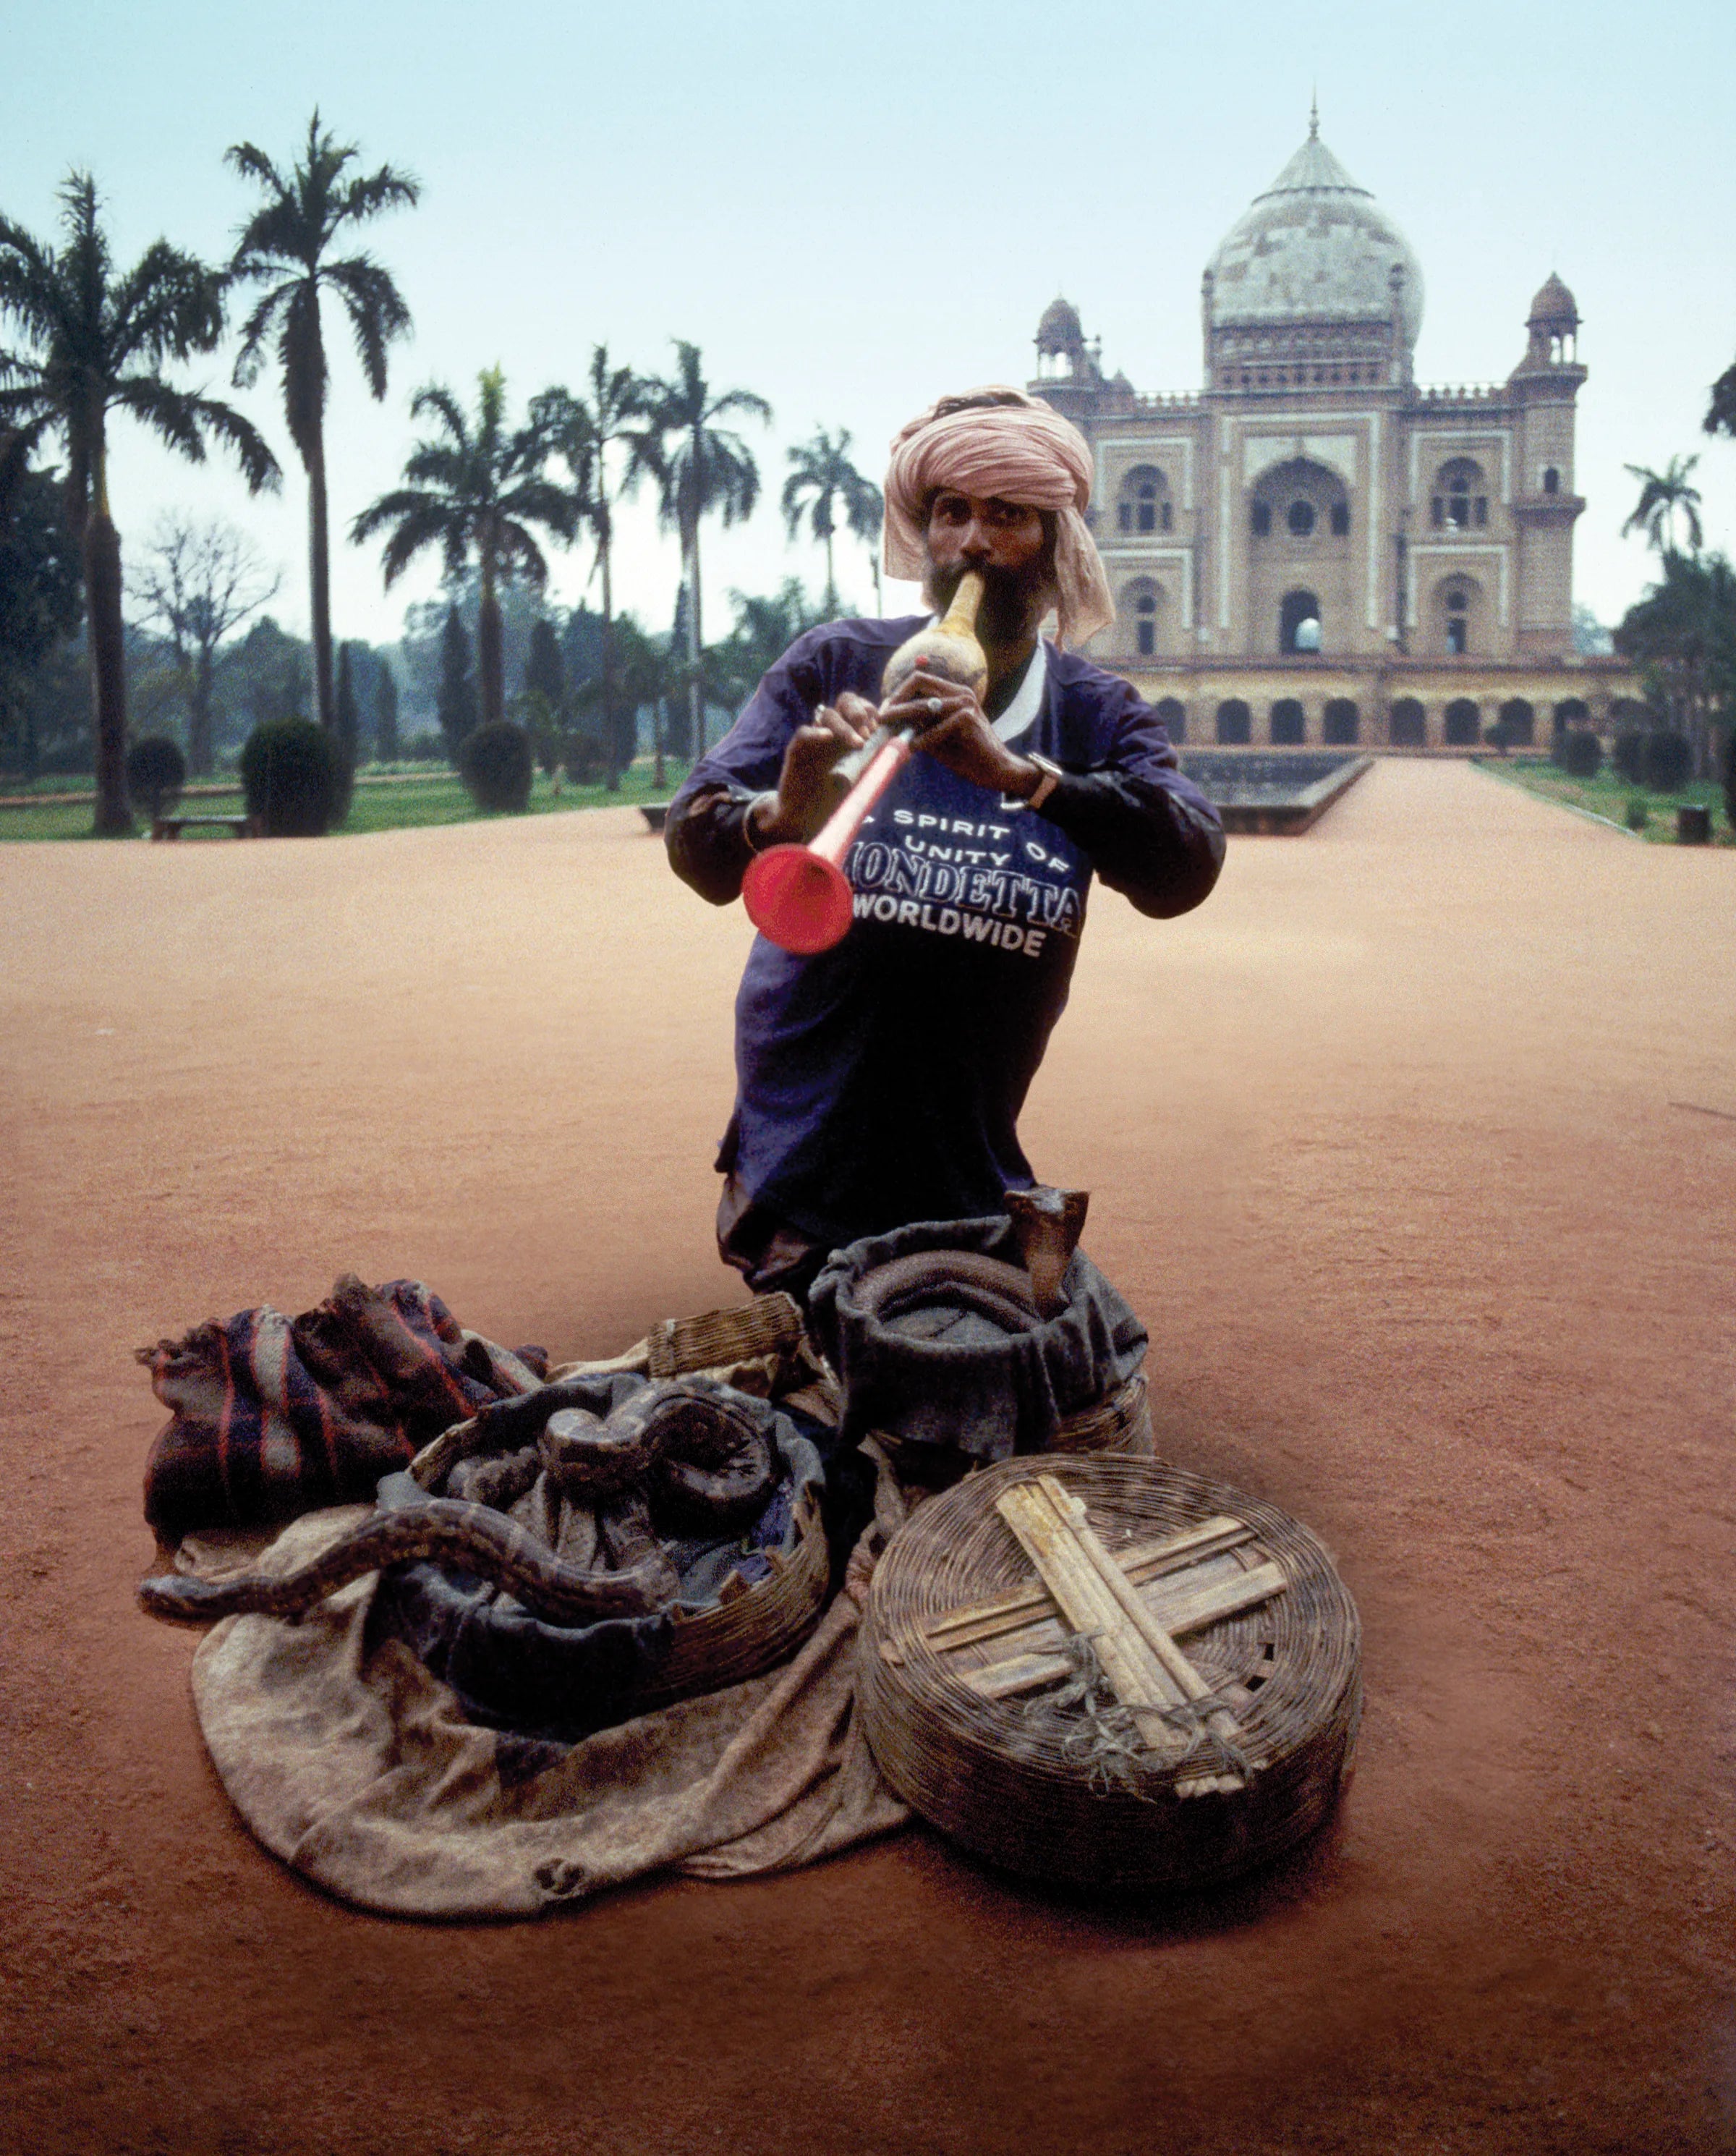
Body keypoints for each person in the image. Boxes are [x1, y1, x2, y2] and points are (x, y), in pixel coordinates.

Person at [665, 385, 1225, 1302]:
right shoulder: (836, 664)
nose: (973, 541)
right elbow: (696, 840)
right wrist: (782, 810)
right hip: (810, 1135)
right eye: (951, 513)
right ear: (923, 535)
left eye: (1008, 516)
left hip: (969, 1147)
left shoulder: (1094, 713)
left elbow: (1187, 866)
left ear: (1055, 544)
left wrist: (1022, 775)